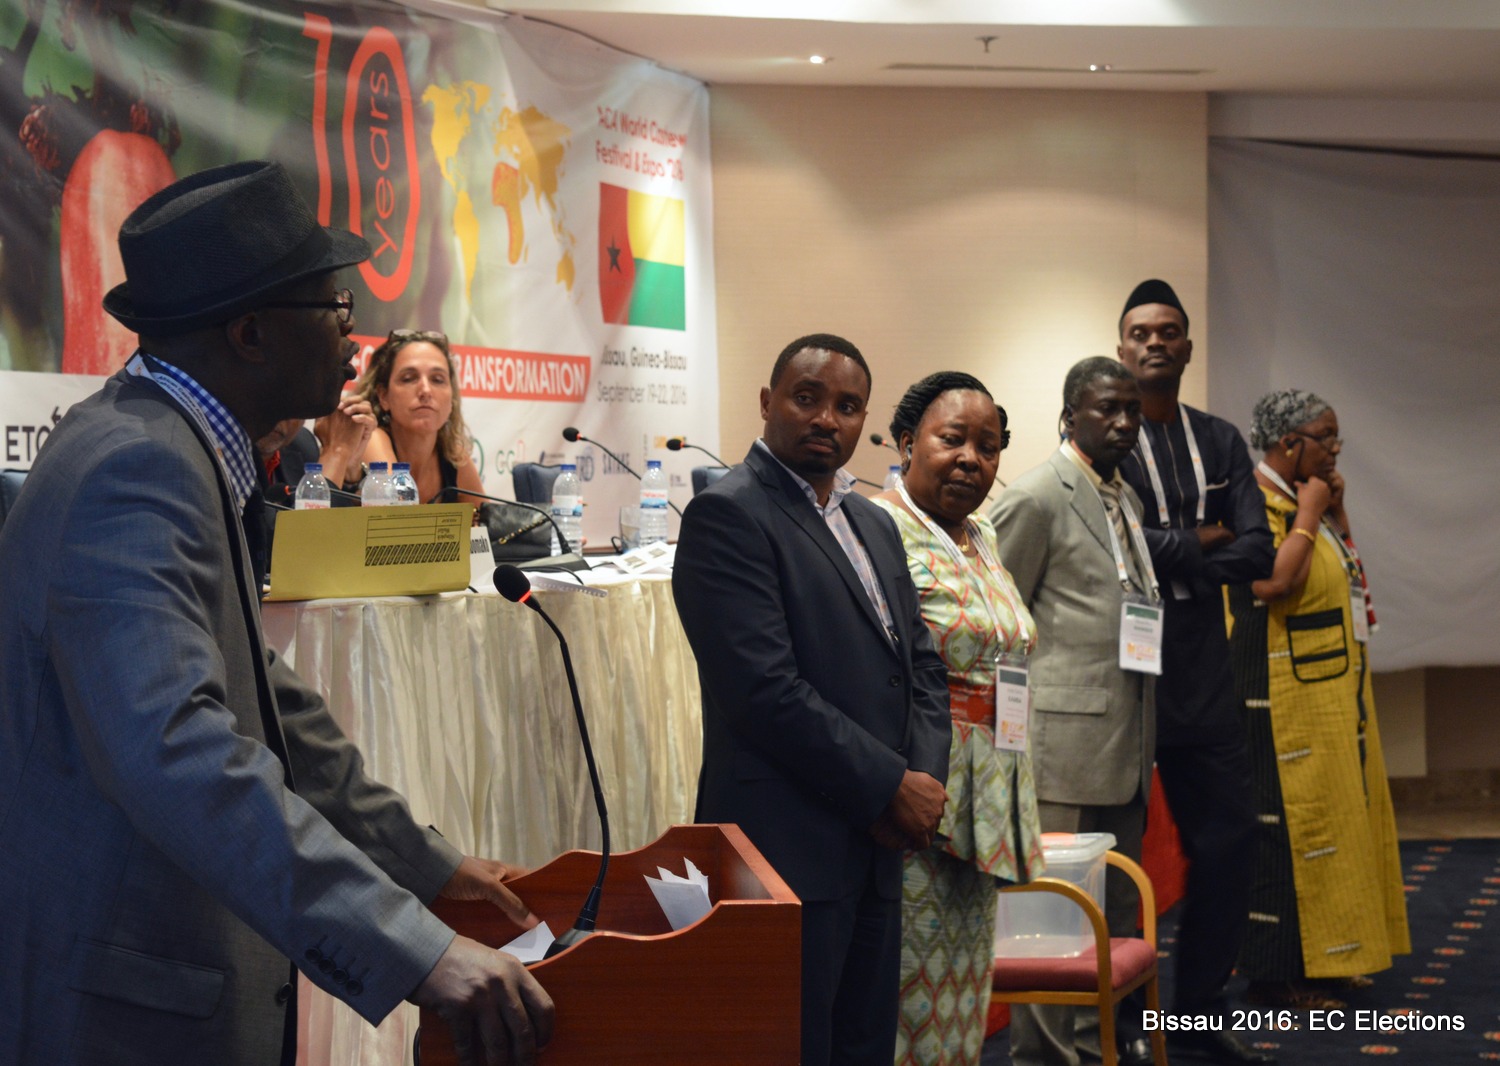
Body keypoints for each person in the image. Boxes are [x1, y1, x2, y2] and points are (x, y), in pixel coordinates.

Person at [0, 161, 552, 1066]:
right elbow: (180, 752)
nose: (354, 344)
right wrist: (417, 949)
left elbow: (261, 694)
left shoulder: (167, 443)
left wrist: (422, 864)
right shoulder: (137, 468)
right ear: (251, 334)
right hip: (117, 1009)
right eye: (336, 308)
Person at [672, 333, 951, 1066]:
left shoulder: (873, 522)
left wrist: (922, 780)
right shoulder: (728, 514)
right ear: (768, 402)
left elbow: (920, 664)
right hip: (786, 847)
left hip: (877, 844)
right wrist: (890, 786)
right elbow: (764, 693)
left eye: (848, 406)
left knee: (865, 1046)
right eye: (807, 398)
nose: (828, 418)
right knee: (791, 1049)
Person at [1114, 280, 1275, 1065]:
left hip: (1203, 664)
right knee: (1114, 852)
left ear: (1186, 345)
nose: (1155, 342)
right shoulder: (1103, 437)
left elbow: (1259, 550)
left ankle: (1200, 1017)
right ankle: (1116, 1021)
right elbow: (1111, 549)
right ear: (1121, 348)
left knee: (1228, 840)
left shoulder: (1219, 439)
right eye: (1141, 331)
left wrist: (1173, 550)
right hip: (1119, 665)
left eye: (1169, 331)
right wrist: (1201, 540)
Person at [871, 371, 1043, 1065]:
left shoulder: (983, 534)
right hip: (920, 790)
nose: (972, 458)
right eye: (952, 440)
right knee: (907, 994)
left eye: (989, 447)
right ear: (906, 442)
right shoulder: (877, 528)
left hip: (990, 794)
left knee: (964, 993)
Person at [991, 357, 1158, 1066]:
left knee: (1112, 917)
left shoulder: (1126, 498)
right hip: (1056, 745)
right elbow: (999, 628)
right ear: (1069, 415)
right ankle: (1045, 1058)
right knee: (1055, 922)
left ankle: (1098, 1050)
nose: (1122, 423)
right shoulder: (1036, 497)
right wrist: (1008, 744)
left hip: (1126, 737)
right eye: (1104, 409)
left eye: (1131, 410)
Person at [1227, 389, 1409, 1009]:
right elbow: (1273, 582)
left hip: (1330, 691)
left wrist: (1335, 512)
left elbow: (1351, 576)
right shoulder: (1254, 500)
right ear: (1288, 443)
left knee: (1339, 825)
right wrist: (1309, 513)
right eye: (1324, 437)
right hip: (1279, 699)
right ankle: (1279, 976)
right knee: (1291, 830)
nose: (1334, 449)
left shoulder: (1307, 497)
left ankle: (1333, 959)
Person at [356, 328, 484, 506]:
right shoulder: (372, 439)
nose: (425, 390)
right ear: (383, 396)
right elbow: (399, 512)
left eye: (437, 379)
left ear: (452, 400)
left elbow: (487, 518)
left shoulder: (453, 456)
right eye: (409, 378)